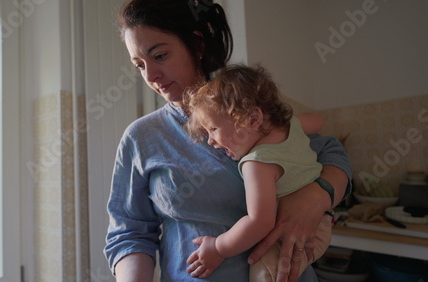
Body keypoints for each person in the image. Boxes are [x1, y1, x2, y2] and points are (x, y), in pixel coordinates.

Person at [104, 0, 352, 281]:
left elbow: (331, 152)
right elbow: (129, 232)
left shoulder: (245, 108)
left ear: (196, 45)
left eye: (159, 56)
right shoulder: (141, 137)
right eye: (139, 65)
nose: (150, 76)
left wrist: (316, 196)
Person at [183, 64, 334, 281]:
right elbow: (318, 120)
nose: (210, 141)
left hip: (298, 235)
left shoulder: (257, 163)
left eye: (213, 129)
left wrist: (218, 248)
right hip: (320, 221)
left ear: (253, 119)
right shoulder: (292, 126)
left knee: (264, 276)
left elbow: (260, 222)